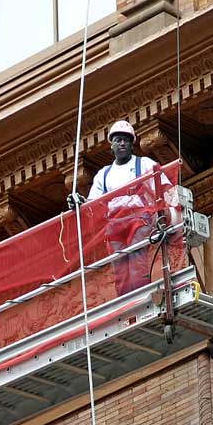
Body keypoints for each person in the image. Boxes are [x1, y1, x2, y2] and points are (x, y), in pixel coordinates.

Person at [82, 120, 167, 296]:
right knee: (120, 264)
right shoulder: (104, 174)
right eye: (118, 140)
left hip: (139, 218)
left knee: (136, 255)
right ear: (111, 145)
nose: (122, 143)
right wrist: (77, 202)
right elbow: (91, 203)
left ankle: (141, 295)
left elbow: (164, 186)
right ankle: (126, 301)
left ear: (131, 144)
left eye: (126, 140)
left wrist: (169, 212)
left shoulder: (144, 164)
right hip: (115, 223)